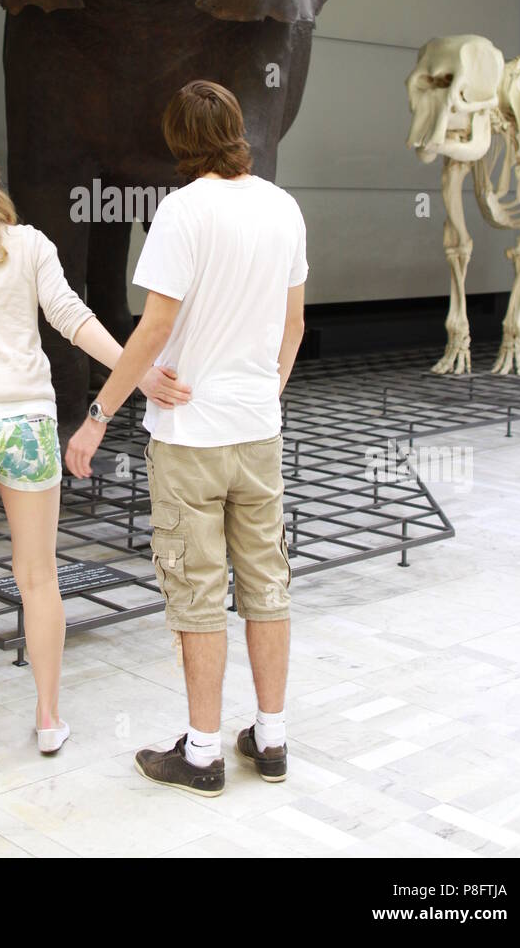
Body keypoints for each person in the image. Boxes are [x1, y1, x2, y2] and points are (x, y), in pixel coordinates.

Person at [0, 139, 189, 767]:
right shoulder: (28, 245)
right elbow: (73, 319)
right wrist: (139, 371)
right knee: (40, 576)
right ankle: (49, 720)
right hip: (28, 424)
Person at [66, 81, 307, 797]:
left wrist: (98, 414)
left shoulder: (182, 211)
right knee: (267, 581)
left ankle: (201, 753)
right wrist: (265, 393)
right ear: (238, 131)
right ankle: (271, 738)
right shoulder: (284, 207)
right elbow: (292, 328)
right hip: (258, 430)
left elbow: (155, 328)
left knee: (197, 592)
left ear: (177, 141)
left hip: (190, 436)